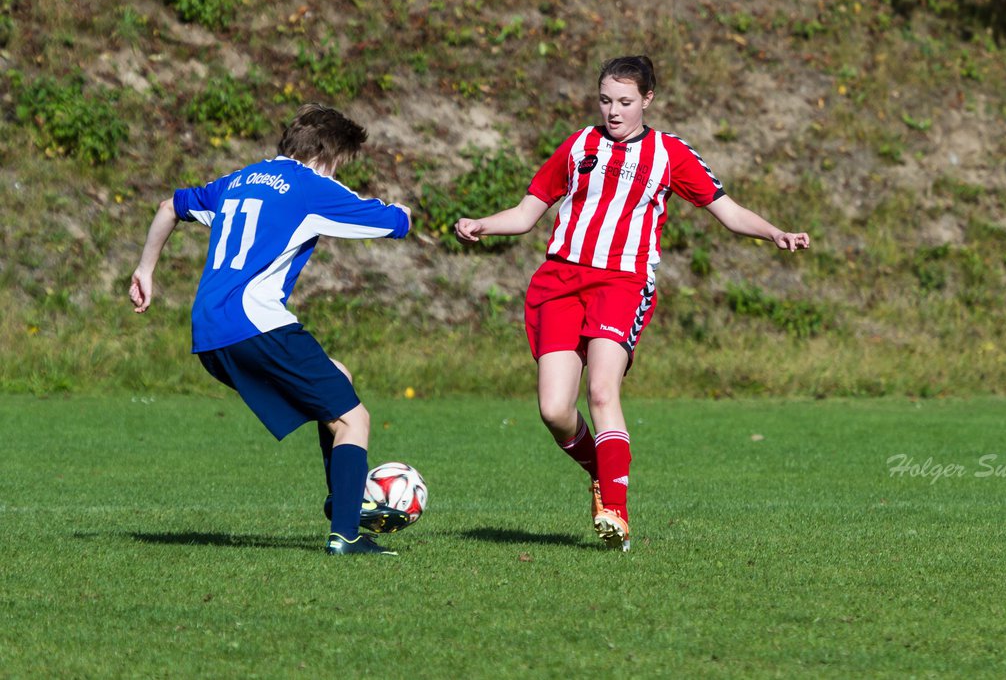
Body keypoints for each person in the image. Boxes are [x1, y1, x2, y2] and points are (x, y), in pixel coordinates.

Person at [454, 56, 810, 551]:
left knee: (602, 392)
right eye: (606, 101)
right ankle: (604, 471)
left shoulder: (670, 154)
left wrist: (775, 233)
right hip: (559, 281)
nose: (614, 112)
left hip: (622, 282)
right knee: (555, 410)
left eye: (625, 102)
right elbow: (525, 213)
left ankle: (615, 511)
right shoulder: (580, 145)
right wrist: (480, 224)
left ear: (647, 100)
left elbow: (728, 213)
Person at [130, 103, 413, 556]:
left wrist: (145, 270)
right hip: (255, 321)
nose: (338, 172)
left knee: (337, 377)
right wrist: (405, 211)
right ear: (326, 155)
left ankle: (343, 501)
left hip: (207, 330)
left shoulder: (239, 180)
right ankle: (346, 535)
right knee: (354, 419)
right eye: (340, 163)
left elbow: (168, 206)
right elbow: (393, 224)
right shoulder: (311, 186)